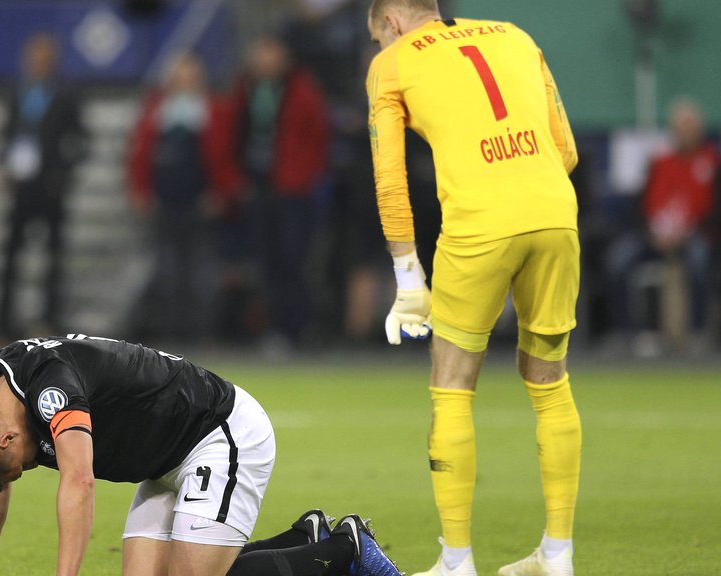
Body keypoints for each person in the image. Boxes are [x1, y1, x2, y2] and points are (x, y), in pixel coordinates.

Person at [365, 2, 582, 575]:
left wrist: (408, 276)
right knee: (550, 382)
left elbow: (389, 176)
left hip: (479, 224)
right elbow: (567, 150)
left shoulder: (391, 62)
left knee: (453, 386)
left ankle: (456, 564)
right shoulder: (515, 33)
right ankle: (558, 557)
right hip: (556, 212)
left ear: (389, 23)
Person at [0, 335, 401, 576]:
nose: (25, 470)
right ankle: (306, 536)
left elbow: (78, 481)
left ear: (5, 439)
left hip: (217, 432)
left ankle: (346, 549)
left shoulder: (51, 389)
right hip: (164, 457)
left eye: (17, 467)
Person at [221, 36, 330, 352]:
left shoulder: (302, 90)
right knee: (267, 264)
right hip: (258, 188)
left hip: (292, 192)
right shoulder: (246, 88)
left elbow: (317, 138)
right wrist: (236, 180)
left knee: (293, 261)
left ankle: (299, 328)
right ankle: (277, 329)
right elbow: (233, 134)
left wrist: (302, 178)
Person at [126, 52, 231, 342]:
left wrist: (220, 193)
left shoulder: (212, 110)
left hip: (199, 204)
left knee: (200, 274)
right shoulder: (156, 112)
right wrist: (141, 191)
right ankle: (169, 334)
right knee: (167, 272)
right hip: (165, 203)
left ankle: (201, 334)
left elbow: (223, 155)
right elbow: (139, 154)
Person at [605, 98, 718, 354]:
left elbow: (713, 209)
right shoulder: (659, 162)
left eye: (690, 128)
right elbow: (641, 205)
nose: (685, 134)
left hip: (694, 235)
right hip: (654, 236)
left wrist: (687, 232)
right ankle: (626, 335)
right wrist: (651, 233)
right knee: (618, 260)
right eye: (680, 128)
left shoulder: (711, 161)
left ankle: (698, 334)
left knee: (700, 263)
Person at [0, 34, 88, 340]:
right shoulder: (17, 92)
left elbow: (81, 140)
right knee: (11, 256)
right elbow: (7, 133)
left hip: (50, 186)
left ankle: (50, 321)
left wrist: (62, 173)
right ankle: (3, 323)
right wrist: (5, 165)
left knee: (53, 258)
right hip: (22, 184)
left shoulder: (66, 94)